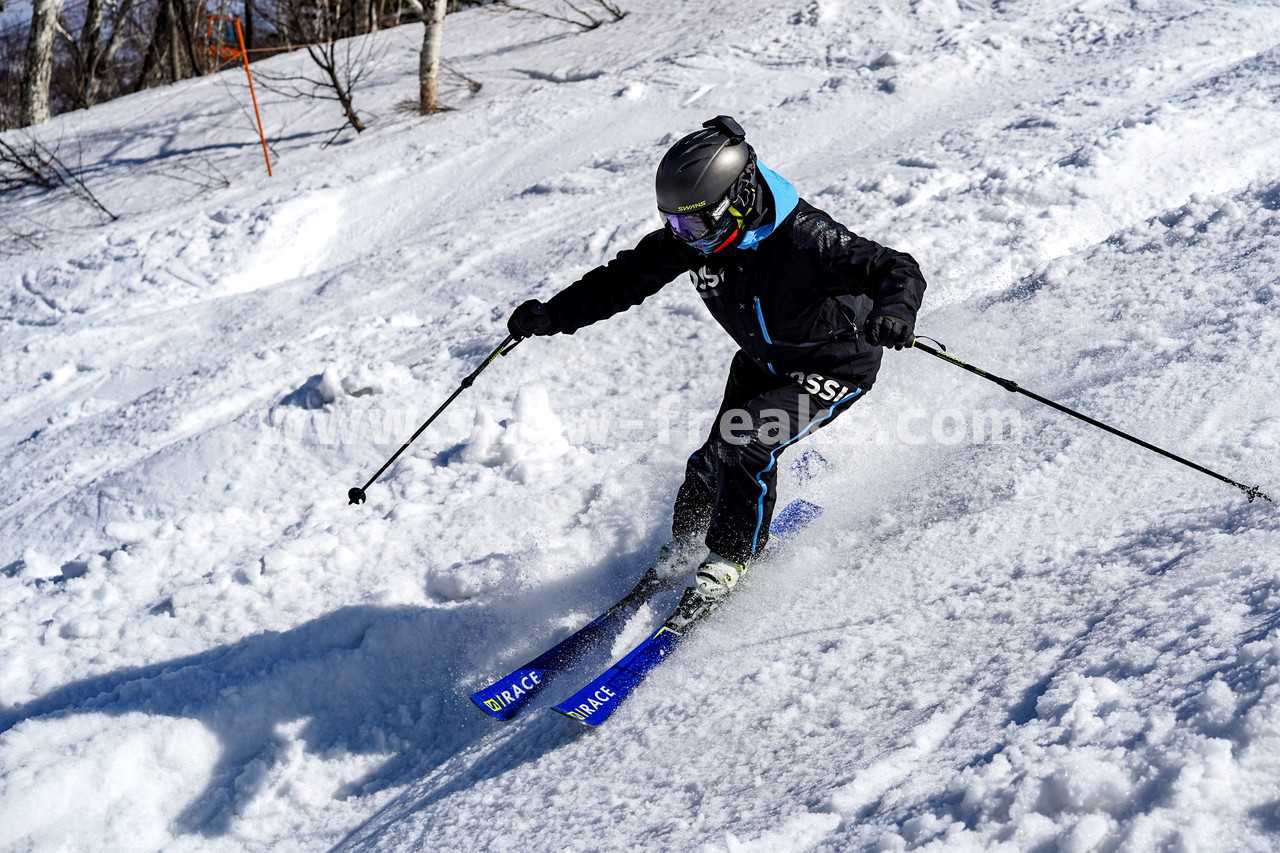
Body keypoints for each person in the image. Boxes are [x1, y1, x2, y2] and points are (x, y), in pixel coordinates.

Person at [507, 115, 926, 613]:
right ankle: (685, 546)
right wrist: (554, 314)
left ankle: (729, 558)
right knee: (708, 465)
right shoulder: (696, 238)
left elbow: (893, 267)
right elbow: (624, 279)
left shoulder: (806, 238)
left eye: (698, 222)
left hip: (834, 364)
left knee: (743, 442)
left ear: (742, 197)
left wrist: (896, 312)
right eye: (675, 223)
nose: (687, 236)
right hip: (762, 361)